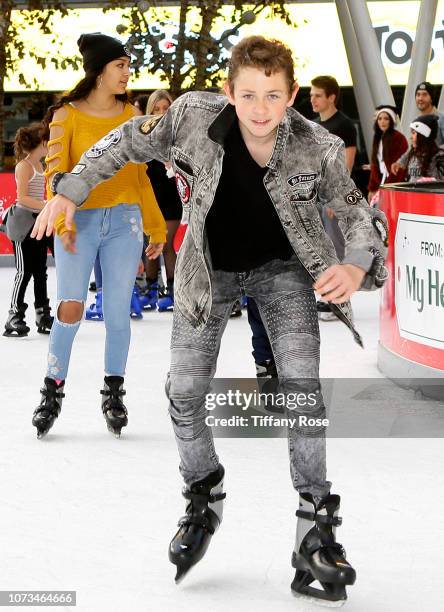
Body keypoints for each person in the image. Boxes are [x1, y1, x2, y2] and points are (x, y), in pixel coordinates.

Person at [32, 36, 388, 605]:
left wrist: (354, 261)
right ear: (228, 91)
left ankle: (314, 529)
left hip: (284, 273)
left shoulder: (317, 145)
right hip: (208, 272)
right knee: (184, 389)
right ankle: (203, 492)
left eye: (274, 95)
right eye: (248, 94)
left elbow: (356, 210)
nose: (261, 108)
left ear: (292, 95)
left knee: (303, 390)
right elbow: (124, 141)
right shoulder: (193, 117)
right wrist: (70, 190)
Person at [30, 33, 166, 439]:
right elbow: (57, 176)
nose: (127, 73)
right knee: (70, 307)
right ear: (100, 70)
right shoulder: (65, 115)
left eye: (127, 66)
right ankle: (52, 390)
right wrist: (64, 225)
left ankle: (113, 392)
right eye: (120, 66)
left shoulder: (131, 116)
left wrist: (155, 227)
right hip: (79, 223)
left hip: (124, 222)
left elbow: (140, 177)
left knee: (117, 310)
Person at [310, 75, 358, 322]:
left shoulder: (345, 125)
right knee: (322, 247)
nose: (313, 99)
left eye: (318, 95)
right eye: (311, 95)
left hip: (335, 197)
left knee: (336, 246)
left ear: (331, 97)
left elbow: (346, 166)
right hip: (315, 196)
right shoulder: (316, 125)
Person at [3, 123, 54, 337]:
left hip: (38, 223)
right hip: (23, 225)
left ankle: (42, 313)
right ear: (41, 142)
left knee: (40, 271)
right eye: (48, 140)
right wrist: (47, 205)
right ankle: (14, 315)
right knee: (24, 272)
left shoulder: (41, 165)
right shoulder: (24, 166)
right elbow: (22, 198)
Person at [144, 89, 182, 311]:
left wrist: (174, 164)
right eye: (156, 109)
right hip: (150, 199)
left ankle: (173, 290)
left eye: (165, 108)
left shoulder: (179, 135)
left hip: (172, 199)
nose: (160, 113)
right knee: (151, 245)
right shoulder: (144, 137)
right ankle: (150, 290)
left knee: (166, 244)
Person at [367, 105, 408, 202]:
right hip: (382, 182)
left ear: (392, 121)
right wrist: (372, 188)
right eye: (380, 119)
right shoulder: (377, 137)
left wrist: (388, 188)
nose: (382, 122)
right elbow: (374, 164)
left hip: (395, 184)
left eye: (386, 119)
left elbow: (399, 167)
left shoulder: (399, 138)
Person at [391, 115, 444, 182]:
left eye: (413, 133)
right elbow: (405, 156)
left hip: (428, 191)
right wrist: (398, 163)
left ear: (422, 135)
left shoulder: (439, 156)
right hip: (412, 192)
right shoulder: (413, 152)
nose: (411, 137)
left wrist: (431, 181)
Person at [414, 81, 444, 146]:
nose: (420, 98)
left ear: (431, 98)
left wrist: (435, 153)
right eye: (418, 94)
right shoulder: (416, 120)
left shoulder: (441, 118)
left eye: (424, 95)